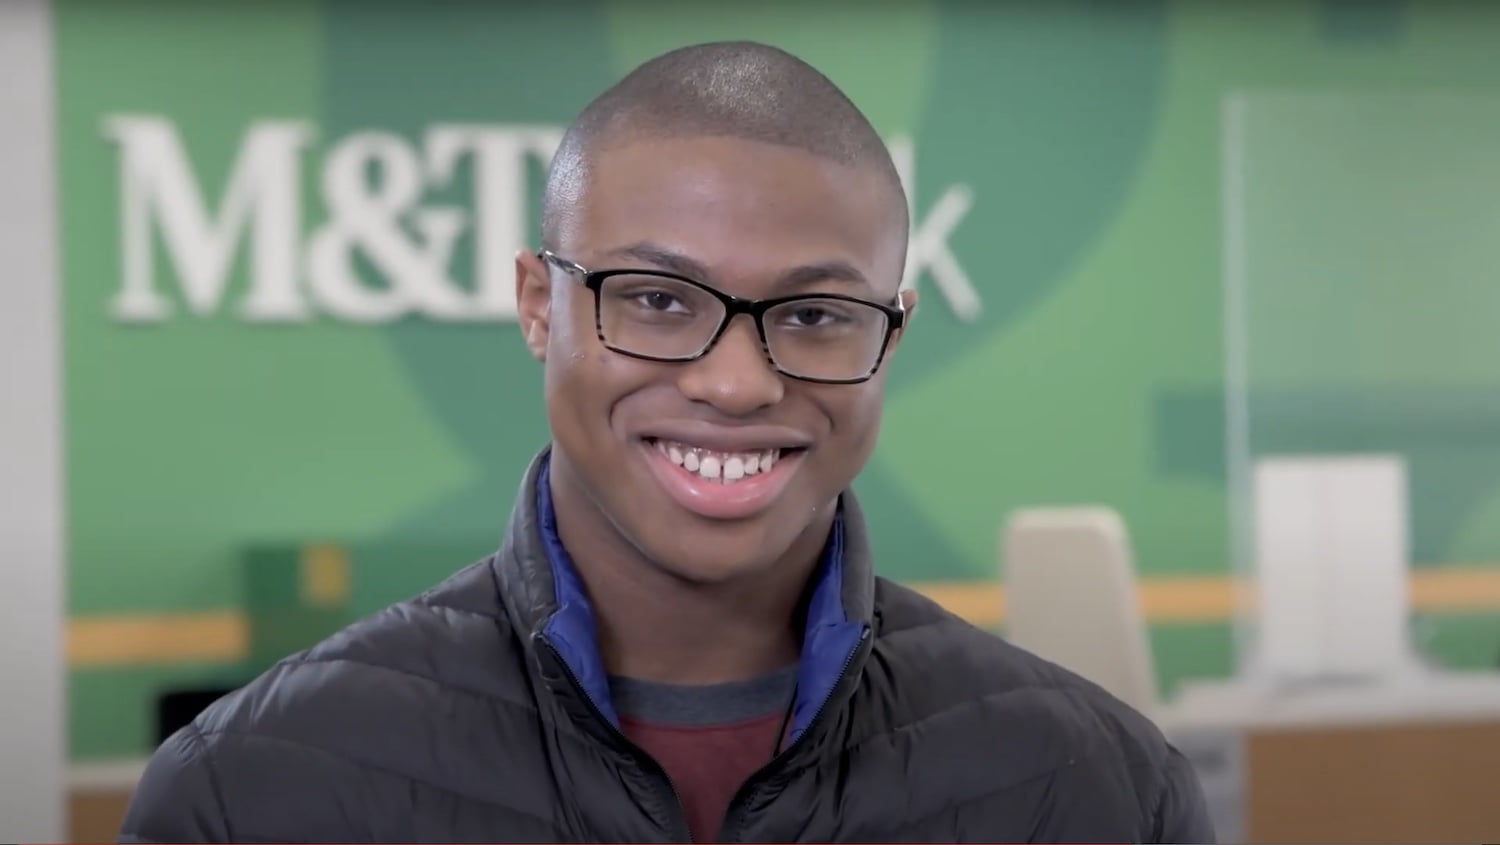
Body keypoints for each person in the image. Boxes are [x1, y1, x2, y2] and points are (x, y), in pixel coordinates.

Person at [120, 41, 1214, 844]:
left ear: (893, 336)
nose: (736, 381)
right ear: (538, 303)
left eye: (816, 315)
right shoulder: (246, 793)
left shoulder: (1101, 792)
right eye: (653, 299)